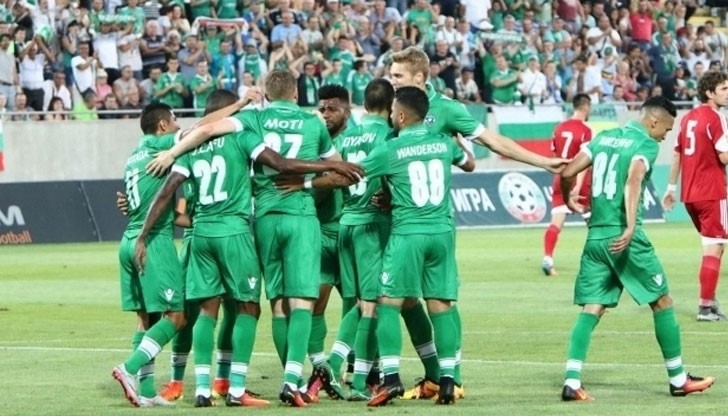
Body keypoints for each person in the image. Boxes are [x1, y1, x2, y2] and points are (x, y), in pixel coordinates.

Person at [143, 69, 364, 407]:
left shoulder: (252, 119)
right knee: (301, 302)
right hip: (301, 216)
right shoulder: (313, 123)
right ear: (295, 94)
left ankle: (209, 383)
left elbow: (206, 128)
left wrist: (173, 153)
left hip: (261, 219)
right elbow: (341, 173)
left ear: (267, 94)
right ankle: (291, 381)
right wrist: (308, 181)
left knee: (275, 305)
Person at [385, 46, 569, 401]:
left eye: (397, 75)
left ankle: (450, 376)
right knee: (403, 300)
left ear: (419, 77)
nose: (391, 81)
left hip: (431, 222)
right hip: (395, 219)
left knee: (439, 300)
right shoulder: (393, 107)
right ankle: (432, 375)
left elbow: (492, 141)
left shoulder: (447, 109)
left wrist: (542, 162)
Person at [558, 96, 715, 402]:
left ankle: (572, 381)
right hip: (624, 238)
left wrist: (568, 198)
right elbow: (633, 180)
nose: (665, 136)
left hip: (596, 237)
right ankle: (678, 379)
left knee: (592, 307)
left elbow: (566, 172)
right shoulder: (645, 144)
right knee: (662, 301)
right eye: (666, 129)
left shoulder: (603, 137)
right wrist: (630, 227)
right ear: (653, 121)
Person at [285, 79, 396, 401]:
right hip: (340, 231)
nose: (325, 114)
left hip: (345, 225)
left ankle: (356, 371)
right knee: (351, 303)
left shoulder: (347, 140)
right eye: (321, 109)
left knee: (357, 303)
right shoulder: (380, 136)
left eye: (331, 109)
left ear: (349, 110)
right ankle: (331, 368)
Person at [111, 103, 188, 408]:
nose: (178, 124)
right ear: (162, 126)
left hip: (128, 240)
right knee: (176, 316)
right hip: (152, 242)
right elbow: (201, 130)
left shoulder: (134, 155)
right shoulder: (160, 146)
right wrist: (239, 105)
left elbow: (138, 204)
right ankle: (128, 368)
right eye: (174, 120)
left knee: (146, 317)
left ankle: (145, 391)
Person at [662, 71, 728, 321]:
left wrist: (670, 188)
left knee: (714, 246)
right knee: (714, 248)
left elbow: (677, 153)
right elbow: (724, 157)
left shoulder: (688, 118)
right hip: (712, 192)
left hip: (690, 195)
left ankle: (710, 300)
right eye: (724, 89)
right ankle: (705, 308)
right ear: (709, 93)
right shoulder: (716, 117)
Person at [542, 94, 594, 276]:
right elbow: (584, 161)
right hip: (578, 179)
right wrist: (577, 186)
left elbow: (555, 155)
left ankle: (548, 258)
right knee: (593, 222)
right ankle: (602, 259)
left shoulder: (559, 128)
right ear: (586, 107)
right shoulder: (586, 130)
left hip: (560, 177)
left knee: (556, 221)